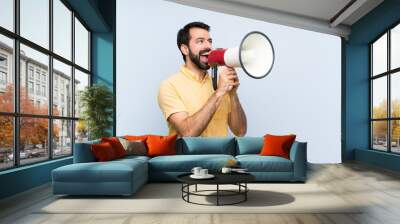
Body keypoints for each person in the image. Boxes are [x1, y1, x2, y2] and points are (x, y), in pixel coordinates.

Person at [157, 21, 247, 137]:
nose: (208, 46)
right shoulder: (169, 86)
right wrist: (219, 93)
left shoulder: (219, 84)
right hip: (192, 156)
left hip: (223, 155)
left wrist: (233, 94)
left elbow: (240, 132)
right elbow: (188, 132)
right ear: (185, 49)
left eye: (210, 41)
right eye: (200, 41)